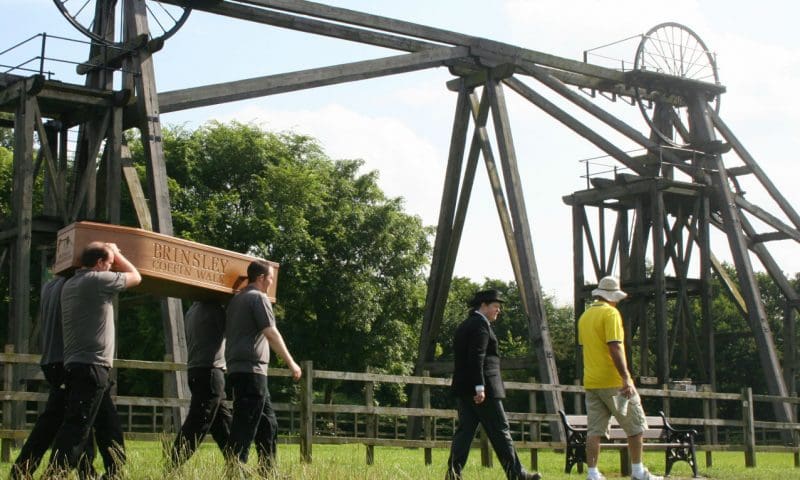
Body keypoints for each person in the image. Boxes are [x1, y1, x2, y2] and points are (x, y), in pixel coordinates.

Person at [47, 241, 141, 479]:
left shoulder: (70, 284)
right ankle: (55, 474)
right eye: (109, 265)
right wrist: (117, 253)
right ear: (99, 264)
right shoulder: (97, 281)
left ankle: (115, 473)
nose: (112, 269)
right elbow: (136, 276)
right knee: (77, 426)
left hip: (82, 366)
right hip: (92, 366)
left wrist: (109, 253)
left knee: (109, 426)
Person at [446, 289, 542, 480]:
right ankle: (517, 474)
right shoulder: (481, 326)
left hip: (464, 388)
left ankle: (453, 474)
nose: (498, 310)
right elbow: (477, 358)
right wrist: (480, 387)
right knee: (500, 429)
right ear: (483, 305)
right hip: (483, 390)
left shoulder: (465, 325)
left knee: (465, 433)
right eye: (496, 306)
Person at [10, 275, 96, 480]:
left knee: (77, 415)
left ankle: (84, 470)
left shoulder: (49, 286)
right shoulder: (73, 285)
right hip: (67, 360)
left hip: (53, 360)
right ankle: (45, 471)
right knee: (69, 419)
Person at [577, 276, 663, 480]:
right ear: (613, 296)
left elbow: (586, 348)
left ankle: (592, 473)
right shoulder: (611, 313)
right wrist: (626, 378)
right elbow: (614, 346)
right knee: (635, 426)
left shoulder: (585, 316)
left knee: (594, 431)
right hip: (614, 382)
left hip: (591, 381)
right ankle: (638, 471)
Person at [224, 261, 302, 475]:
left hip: (239, 368)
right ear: (260, 277)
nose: (271, 282)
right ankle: (234, 470)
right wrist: (291, 362)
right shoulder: (258, 298)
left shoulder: (236, 299)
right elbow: (271, 332)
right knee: (245, 422)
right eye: (270, 278)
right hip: (252, 370)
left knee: (269, 423)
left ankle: (268, 470)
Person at [169, 301, 232, 467]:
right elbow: (233, 331)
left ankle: (237, 466)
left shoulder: (193, 309)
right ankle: (173, 464)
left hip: (196, 370)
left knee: (223, 424)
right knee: (198, 421)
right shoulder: (214, 308)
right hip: (210, 372)